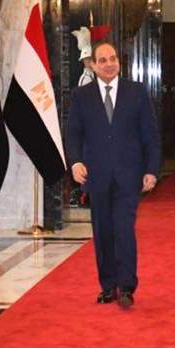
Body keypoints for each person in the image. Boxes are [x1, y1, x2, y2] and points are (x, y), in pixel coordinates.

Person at [65, 41, 160, 309]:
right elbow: (73, 133)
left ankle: (127, 287)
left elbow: (150, 134)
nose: (109, 64)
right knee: (103, 230)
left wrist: (152, 169)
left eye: (113, 59)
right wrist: (76, 162)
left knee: (124, 229)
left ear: (119, 61)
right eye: (103, 60)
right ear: (93, 65)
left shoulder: (136, 92)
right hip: (96, 175)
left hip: (129, 174)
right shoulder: (81, 96)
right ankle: (108, 286)